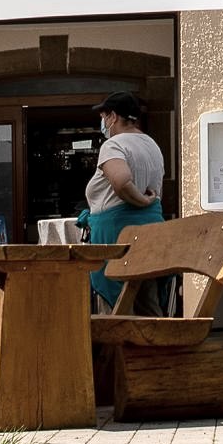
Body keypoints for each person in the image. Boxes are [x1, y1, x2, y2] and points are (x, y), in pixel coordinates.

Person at [77, 93, 166, 308]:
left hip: (117, 239)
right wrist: (147, 202)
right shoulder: (152, 145)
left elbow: (122, 182)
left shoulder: (113, 145)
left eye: (103, 116)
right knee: (147, 304)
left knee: (117, 308)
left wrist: (142, 201)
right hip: (150, 236)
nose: (102, 122)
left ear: (113, 117)